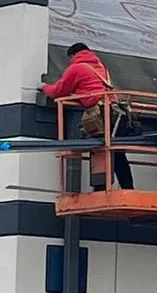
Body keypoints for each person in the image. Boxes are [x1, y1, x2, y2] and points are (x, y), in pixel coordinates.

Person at [40, 43, 135, 190]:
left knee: (99, 149)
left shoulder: (77, 68)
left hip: (99, 116)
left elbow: (59, 91)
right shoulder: (101, 68)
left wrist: (44, 88)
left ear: (73, 55)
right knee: (116, 151)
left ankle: (100, 188)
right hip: (114, 113)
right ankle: (128, 188)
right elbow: (92, 88)